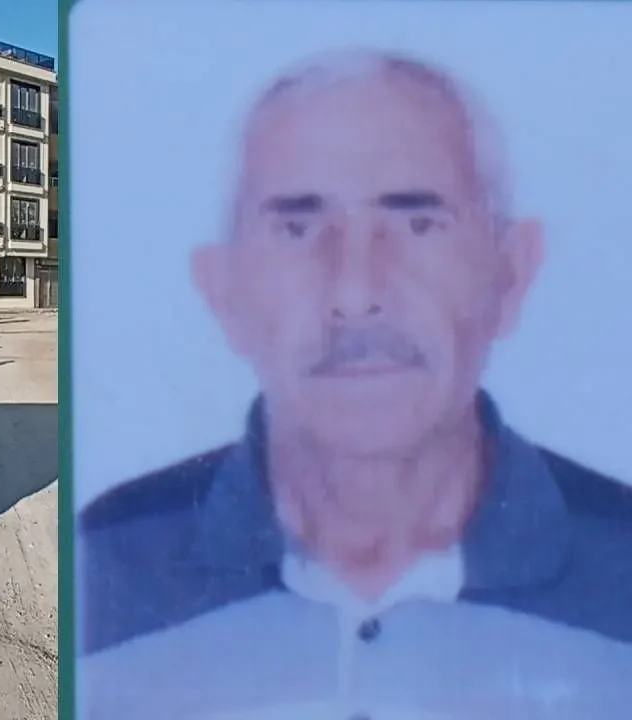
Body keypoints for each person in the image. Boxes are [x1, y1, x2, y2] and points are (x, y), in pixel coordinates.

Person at [80, 49, 632, 718]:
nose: (355, 292)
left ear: (510, 274)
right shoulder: (96, 571)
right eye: (297, 227)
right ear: (224, 292)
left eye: (418, 223)